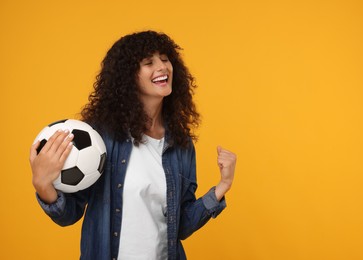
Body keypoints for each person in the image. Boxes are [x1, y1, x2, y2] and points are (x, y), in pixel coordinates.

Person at [29, 30, 237, 260]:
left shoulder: (181, 144)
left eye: (165, 59)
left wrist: (222, 186)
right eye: (149, 62)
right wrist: (42, 184)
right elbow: (68, 214)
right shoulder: (100, 138)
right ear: (128, 77)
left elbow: (181, 227)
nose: (162, 67)